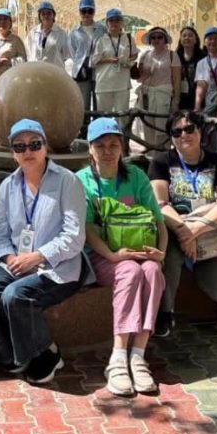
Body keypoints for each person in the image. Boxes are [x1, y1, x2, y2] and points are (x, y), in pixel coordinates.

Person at [0, 120, 87, 384]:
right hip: (16, 261)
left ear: (45, 147)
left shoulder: (67, 181)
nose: (28, 151)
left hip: (58, 266)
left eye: (34, 144)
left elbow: (74, 236)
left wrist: (38, 256)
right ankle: (16, 352)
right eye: (20, 146)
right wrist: (9, 258)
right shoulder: (8, 186)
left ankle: (47, 351)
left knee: (15, 295)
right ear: (13, 153)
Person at [148, 111, 217, 337]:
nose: (184, 135)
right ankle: (165, 313)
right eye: (176, 132)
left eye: (189, 129)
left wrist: (195, 230)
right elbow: (160, 203)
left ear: (200, 131)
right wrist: (183, 231)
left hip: (209, 230)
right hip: (174, 229)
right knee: (168, 258)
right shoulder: (161, 162)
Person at [78, 118, 167, 397]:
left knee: (152, 271)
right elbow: (87, 228)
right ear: (90, 148)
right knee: (130, 270)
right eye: (100, 145)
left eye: (113, 145)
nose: (107, 151)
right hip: (100, 255)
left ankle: (138, 355)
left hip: (141, 252)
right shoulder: (82, 181)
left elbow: (158, 221)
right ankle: (117, 359)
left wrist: (161, 253)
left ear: (122, 147)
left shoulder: (136, 177)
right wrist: (113, 255)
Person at [134, 26, 180, 151]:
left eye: (159, 37)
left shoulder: (172, 55)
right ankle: (150, 155)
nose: (156, 40)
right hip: (146, 95)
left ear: (165, 39)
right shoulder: (145, 55)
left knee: (162, 128)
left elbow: (176, 80)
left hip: (163, 96)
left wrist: (176, 101)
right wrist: (145, 74)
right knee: (147, 127)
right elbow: (139, 79)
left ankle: (162, 155)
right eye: (153, 37)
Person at [90, 8, 137, 125]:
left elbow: (134, 54)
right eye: (111, 21)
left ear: (122, 23)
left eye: (117, 20)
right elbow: (93, 61)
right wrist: (109, 60)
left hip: (122, 84)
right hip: (104, 84)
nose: (114, 23)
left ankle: (122, 136)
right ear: (107, 23)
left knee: (122, 117)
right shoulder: (101, 40)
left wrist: (126, 60)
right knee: (104, 117)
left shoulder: (128, 38)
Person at [68, 0, 107, 113]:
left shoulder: (102, 29)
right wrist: (82, 62)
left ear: (94, 12)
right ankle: (84, 125)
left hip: (99, 70)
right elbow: (73, 52)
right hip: (81, 71)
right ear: (79, 12)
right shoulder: (74, 32)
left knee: (99, 104)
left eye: (90, 11)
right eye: (83, 11)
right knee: (83, 104)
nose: (86, 14)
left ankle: (98, 124)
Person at [0, 8, 27, 96]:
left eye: (5, 19)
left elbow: (23, 61)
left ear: (10, 22)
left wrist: (9, 62)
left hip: (8, 81)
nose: (2, 22)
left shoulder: (16, 40)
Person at [194, 26, 217, 117]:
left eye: (216, 39)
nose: (213, 41)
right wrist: (197, 107)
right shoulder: (201, 63)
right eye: (210, 39)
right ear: (205, 42)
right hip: (211, 104)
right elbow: (201, 86)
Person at [26, 1, 70, 69]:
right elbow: (27, 51)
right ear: (40, 16)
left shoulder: (61, 34)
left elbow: (67, 55)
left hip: (55, 73)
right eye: (43, 14)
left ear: (53, 15)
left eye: (49, 13)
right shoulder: (33, 33)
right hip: (36, 72)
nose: (46, 16)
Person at [176, 26, 205, 111]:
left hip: (199, 98)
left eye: (190, 35)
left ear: (196, 40)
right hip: (180, 99)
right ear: (180, 40)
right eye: (184, 36)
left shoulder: (203, 57)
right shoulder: (175, 56)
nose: (187, 38)